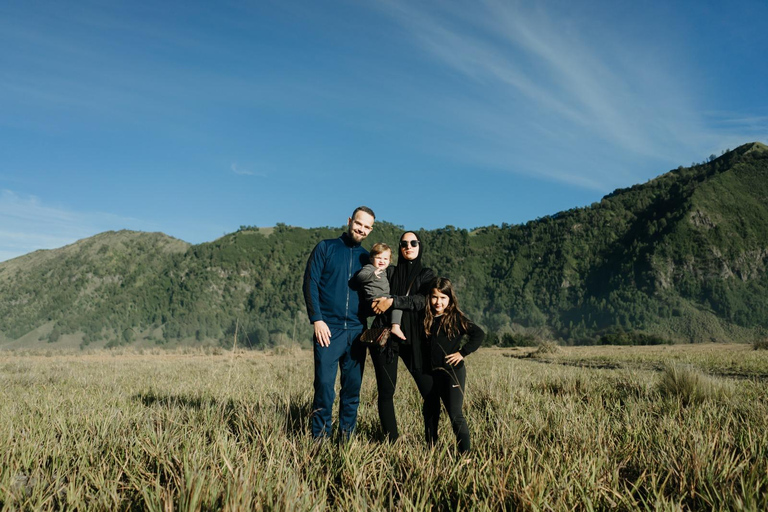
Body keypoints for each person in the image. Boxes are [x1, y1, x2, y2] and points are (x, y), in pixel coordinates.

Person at [302, 206, 375, 439]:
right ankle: (320, 439)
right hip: (328, 329)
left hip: (356, 331)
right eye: (358, 224)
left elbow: (377, 291)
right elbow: (310, 283)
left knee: (352, 389)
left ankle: (346, 439)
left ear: (370, 230)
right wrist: (317, 319)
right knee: (324, 386)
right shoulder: (326, 248)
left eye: (366, 227)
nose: (361, 229)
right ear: (349, 221)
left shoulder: (367, 259)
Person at [369, 231, 435, 441]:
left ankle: (431, 442)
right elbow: (374, 288)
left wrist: (393, 302)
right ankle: (391, 440)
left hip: (413, 339)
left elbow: (422, 300)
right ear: (399, 247)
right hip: (385, 337)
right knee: (386, 392)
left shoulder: (426, 274)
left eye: (413, 242)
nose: (409, 246)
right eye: (404, 243)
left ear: (419, 246)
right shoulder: (389, 272)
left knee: (430, 393)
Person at [420, 277, 484, 453]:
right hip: (431, 373)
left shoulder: (456, 318)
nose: (438, 302)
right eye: (434, 297)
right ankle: (431, 449)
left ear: (450, 299)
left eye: (443, 298)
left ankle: (466, 454)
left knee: (455, 414)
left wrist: (462, 353)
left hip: (452, 373)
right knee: (430, 412)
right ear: (429, 298)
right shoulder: (426, 318)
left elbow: (478, 334)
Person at [353, 243, 405, 343]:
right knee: (395, 303)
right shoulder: (369, 268)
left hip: (385, 297)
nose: (382, 261)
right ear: (372, 259)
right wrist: (373, 274)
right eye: (379, 258)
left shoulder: (385, 271)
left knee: (397, 303)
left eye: (385, 259)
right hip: (374, 297)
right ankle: (394, 327)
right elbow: (359, 277)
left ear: (389, 261)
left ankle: (394, 327)